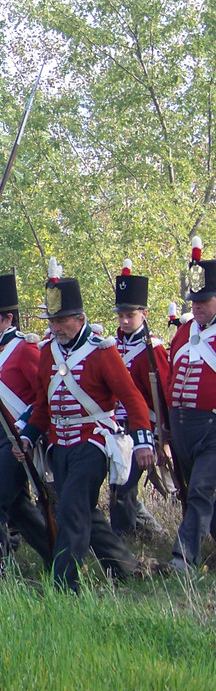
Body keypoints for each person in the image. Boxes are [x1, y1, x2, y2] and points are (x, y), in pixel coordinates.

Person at [16, 267, 155, 591]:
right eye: (52, 321)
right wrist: (28, 437)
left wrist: (143, 441)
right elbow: (42, 405)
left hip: (93, 443)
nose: (56, 327)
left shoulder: (101, 351)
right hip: (59, 447)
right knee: (83, 511)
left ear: (80, 318)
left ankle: (64, 585)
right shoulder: (48, 353)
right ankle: (127, 567)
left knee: (71, 511)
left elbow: (132, 398)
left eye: (62, 320)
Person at [0, 264, 54, 571]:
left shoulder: (26, 348)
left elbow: (43, 396)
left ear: (8, 318)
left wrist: (25, 431)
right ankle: (57, 557)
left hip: (15, 437)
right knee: (18, 506)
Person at [109, 260, 169, 536]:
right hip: (116, 428)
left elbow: (163, 396)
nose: (124, 321)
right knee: (120, 487)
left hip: (144, 427)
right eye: (121, 315)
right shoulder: (113, 346)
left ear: (143, 314)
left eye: (130, 315)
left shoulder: (152, 350)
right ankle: (151, 533)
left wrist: (162, 437)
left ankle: (124, 540)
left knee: (123, 487)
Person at [168, 240, 216, 572]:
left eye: (204, 301)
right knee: (203, 495)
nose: (196, 307)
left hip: (212, 427)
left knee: (200, 491)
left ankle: (183, 558)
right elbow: (170, 375)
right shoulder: (184, 332)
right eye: (194, 301)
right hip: (182, 426)